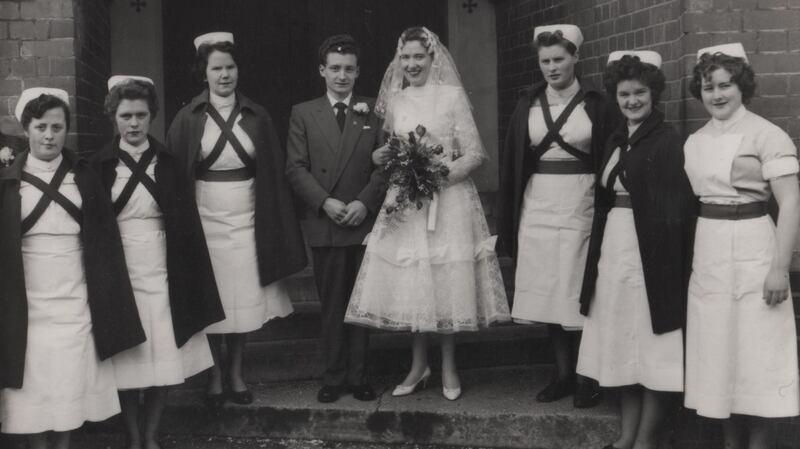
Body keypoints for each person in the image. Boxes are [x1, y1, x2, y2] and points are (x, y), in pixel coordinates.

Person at [344, 27, 510, 401]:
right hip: (406, 203)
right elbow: (387, 151)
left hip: (446, 199)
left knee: (445, 280)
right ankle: (419, 366)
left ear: (433, 59)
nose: (412, 64)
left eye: (419, 57)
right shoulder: (396, 100)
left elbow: (474, 154)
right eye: (405, 57)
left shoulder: (451, 97)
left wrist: (435, 174)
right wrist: (383, 159)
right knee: (415, 283)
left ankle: (450, 366)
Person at [166, 32, 307, 407]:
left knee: (242, 297)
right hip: (205, 218)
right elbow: (175, 173)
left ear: (238, 70)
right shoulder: (188, 117)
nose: (225, 75)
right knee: (212, 298)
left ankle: (236, 372)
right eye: (217, 68)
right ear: (204, 73)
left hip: (247, 215)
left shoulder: (257, 115)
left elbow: (273, 173)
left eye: (230, 67)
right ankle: (213, 374)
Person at [0, 88, 145, 449]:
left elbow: (102, 237)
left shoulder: (83, 175)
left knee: (68, 374)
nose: (49, 135)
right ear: (26, 129)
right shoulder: (8, 181)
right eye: (40, 127)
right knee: (33, 376)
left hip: (74, 289)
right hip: (28, 295)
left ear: (67, 129)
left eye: (57, 126)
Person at [91, 76, 225, 449]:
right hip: (120, 271)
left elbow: (184, 223)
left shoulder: (167, 161)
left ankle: (151, 437)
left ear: (151, 116)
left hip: (163, 267)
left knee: (163, 359)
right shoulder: (98, 166)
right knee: (128, 362)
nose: (133, 124)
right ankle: (133, 438)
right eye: (125, 116)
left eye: (141, 115)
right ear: (113, 118)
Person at [576, 51, 696, 449]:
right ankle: (625, 437)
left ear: (653, 93)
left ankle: (646, 441)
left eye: (639, 93)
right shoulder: (615, 138)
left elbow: (676, 211)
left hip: (652, 257)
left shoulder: (667, 140)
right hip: (615, 250)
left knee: (652, 346)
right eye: (624, 94)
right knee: (621, 343)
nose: (631, 101)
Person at [683, 43, 800, 449]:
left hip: (754, 246)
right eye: (708, 86)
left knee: (757, 353)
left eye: (725, 86)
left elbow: (790, 203)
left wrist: (779, 267)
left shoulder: (768, 134)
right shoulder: (694, 141)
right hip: (710, 250)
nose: (716, 95)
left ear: (742, 86)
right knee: (719, 352)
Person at [495, 24, 618, 407]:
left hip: (581, 201)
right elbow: (516, 159)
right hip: (539, 202)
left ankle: (588, 377)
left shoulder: (597, 103)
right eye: (545, 60)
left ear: (576, 58)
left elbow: (611, 154)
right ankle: (563, 374)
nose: (552, 67)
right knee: (549, 288)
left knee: (578, 288)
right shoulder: (527, 103)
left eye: (559, 59)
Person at [285, 34, 386, 403]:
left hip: (361, 219)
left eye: (348, 69)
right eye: (335, 69)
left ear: (358, 71)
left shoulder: (375, 110)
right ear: (322, 71)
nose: (341, 76)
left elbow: (384, 163)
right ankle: (333, 376)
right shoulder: (303, 112)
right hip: (325, 220)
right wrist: (325, 202)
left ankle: (359, 376)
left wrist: (364, 202)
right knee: (331, 305)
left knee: (361, 301)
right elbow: (295, 168)